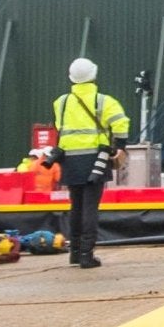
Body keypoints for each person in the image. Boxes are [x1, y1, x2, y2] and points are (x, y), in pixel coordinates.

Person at [52, 58, 131, 268]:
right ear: (94, 75)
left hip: (69, 160)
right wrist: (120, 145)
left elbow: (61, 127)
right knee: (90, 208)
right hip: (95, 158)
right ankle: (87, 255)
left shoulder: (61, 102)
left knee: (75, 206)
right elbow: (121, 123)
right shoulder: (104, 101)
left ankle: (75, 253)